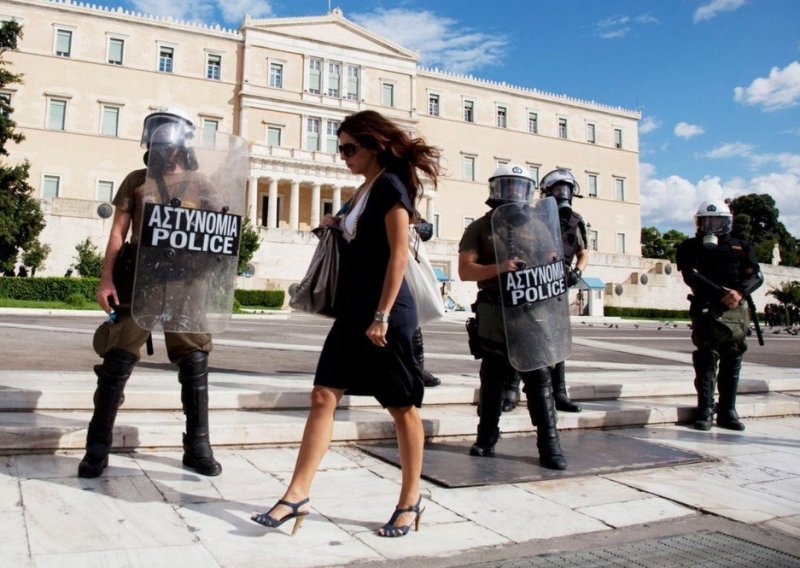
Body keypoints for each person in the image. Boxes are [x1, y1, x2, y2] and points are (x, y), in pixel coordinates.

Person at [251, 110, 440, 537]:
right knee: (322, 395)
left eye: (351, 148)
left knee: (401, 406)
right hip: (354, 310)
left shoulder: (391, 186)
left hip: (386, 311)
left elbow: (398, 255)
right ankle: (296, 494)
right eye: (340, 148)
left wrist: (383, 315)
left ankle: (410, 501)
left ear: (375, 145)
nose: (343, 157)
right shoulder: (360, 192)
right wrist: (332, 226)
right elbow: (355, 240)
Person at [78, 107, 224, 479]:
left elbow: (222, 232)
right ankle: (97, 446)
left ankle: (198, 445)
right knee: (116, 361)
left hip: (187, 285)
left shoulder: (203, 184)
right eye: (157, 132)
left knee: (194, 361)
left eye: (168, 132)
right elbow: (118, 234)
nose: (163, 139)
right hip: (141, 281)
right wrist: (105, 279)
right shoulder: (136, 180)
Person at [459, 164, 567, 470]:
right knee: (492, 378)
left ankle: (550, 444)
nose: (513, 193)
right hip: (495, 312)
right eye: (507, 186)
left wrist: (554, 265)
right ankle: (486, 436)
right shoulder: (480, 227)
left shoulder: (538, 226)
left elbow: (551, 258)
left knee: (539, 379)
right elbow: (465, 270)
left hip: (532, 313)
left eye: (518, 187)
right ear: (496, 189)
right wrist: (500, 267)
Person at [676, 199, 763, 431]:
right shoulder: (690, 246)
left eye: (717, 221)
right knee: (705, 357)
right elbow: (690, 275)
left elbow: (757, 275)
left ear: (727, 222)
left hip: (734, 309)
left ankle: (728, 410)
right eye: (707, 221)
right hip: (706, 306)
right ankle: (705, 408)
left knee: (733, 357)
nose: (712, 226)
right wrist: (719, 293)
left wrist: (740, 293)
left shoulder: (741, 246)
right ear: (699, 223)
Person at [537, 168, 588, 413]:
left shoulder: (575, 220)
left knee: (557, 337)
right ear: (547, 192)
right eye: (557, 190)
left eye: (566, 190)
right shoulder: (533, 216)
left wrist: (577, 273)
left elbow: (583, 253)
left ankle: (559, 391)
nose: (562, 194)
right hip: (535, 280)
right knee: (526, 332)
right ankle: (511, 389)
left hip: (559, 282)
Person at [412, 216, 441, 388]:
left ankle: (417, 368)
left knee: (412, 324)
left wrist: (411, 227)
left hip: (405, 267)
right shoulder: (359, 199)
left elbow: (427, 230)